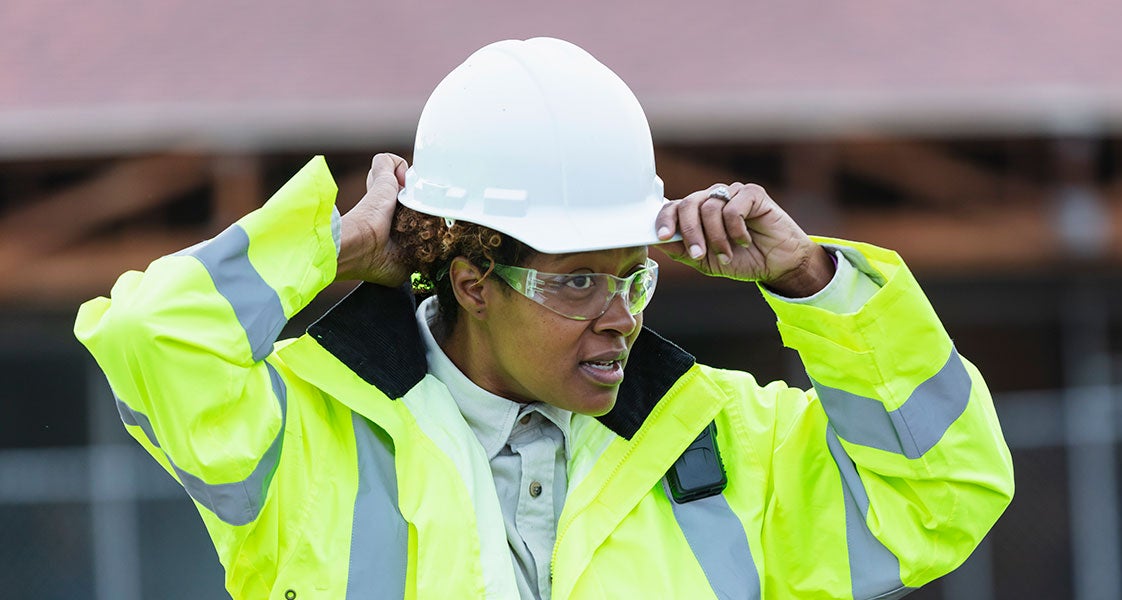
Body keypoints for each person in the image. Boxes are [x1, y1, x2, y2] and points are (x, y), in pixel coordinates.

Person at [75, 38, 1013, 599]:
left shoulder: (726, 446)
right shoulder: (306, 439)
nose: (620, 319)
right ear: (471, 278)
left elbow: (945, 492)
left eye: (634, 279)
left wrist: (816, 282)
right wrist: (331, 246)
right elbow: (148, 337)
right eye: (576, 284)